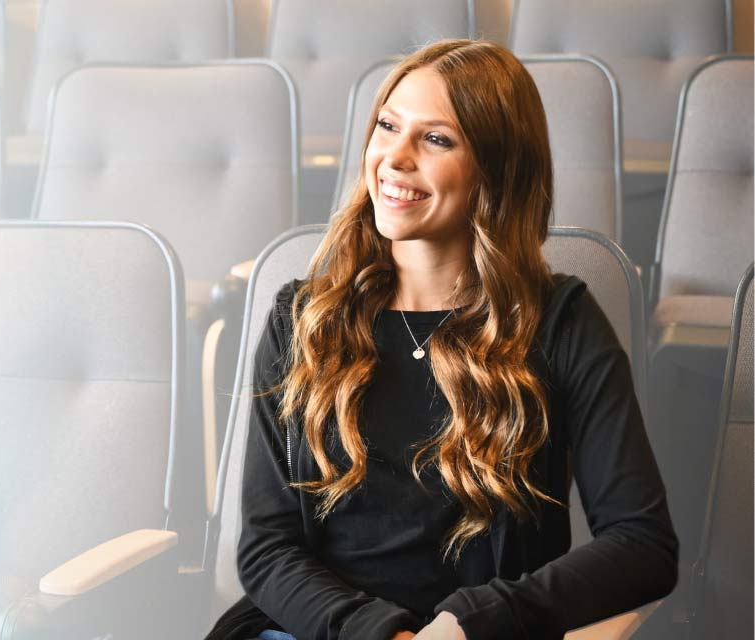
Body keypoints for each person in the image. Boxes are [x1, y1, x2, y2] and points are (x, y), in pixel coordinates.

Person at [207, 39, 678, 640]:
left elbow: (642, 547)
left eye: (436, 139)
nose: (395, 157)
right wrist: (378, 633)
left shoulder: (560, 322)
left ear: (497, 169)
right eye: (387, 125)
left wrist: (470, 624)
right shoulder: (301, 318)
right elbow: (267, 549)